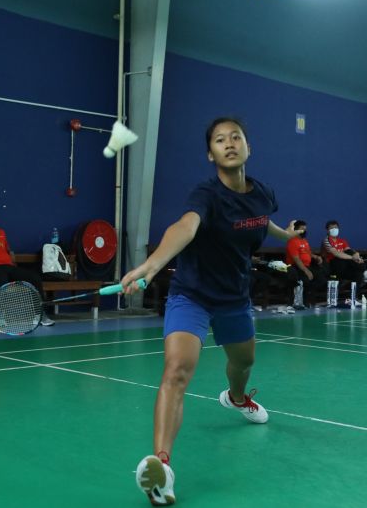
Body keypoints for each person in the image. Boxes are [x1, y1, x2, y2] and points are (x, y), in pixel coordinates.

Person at [120, 117, 300, 506]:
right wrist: (151, 265)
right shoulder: (205, 194)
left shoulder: (263, 193)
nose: (230, 143)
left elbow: (259, 221)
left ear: (248, 147)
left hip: (234, 297)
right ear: (211, 153)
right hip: (193, 295)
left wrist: (285, 235)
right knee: (177, 370)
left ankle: (236, 397)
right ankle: (162, 468)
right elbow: (185, 227)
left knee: (243, 362)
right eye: (220, 140)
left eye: (236, 137)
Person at [285, 220, 326, 309]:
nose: (304, 231)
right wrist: (306, 271)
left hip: (307, 266)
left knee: (321, 279)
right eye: (302, 229)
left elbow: (308, 252)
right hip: (296, 267)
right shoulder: (292, 241)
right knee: (306, 280)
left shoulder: (304, 241)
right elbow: (296, 259)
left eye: (305, 229)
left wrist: (315, 257)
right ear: (295, 230)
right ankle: (303, 302)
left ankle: (307, 298)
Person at [321, 219, 366, 284]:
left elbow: (349, 250)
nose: (334, 229)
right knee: (346, 258)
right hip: (332, 266)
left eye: (336, 227)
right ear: (327, 230)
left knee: (358, 274)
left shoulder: (342, 241)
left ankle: (355, 293)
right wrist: (353, 258)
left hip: (344, 266)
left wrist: (356, 254)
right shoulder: (326, 240)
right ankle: (365, 270)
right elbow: (336, 253)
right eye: (331, 228)